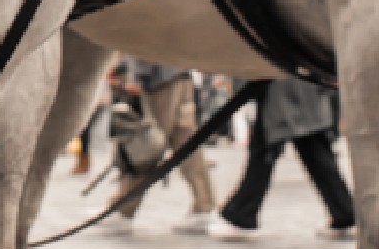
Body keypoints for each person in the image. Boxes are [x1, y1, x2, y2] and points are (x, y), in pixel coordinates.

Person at [212, 77, 356, 239]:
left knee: (266, 153)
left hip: (283, 90)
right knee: (313, 151)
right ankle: (345, 213)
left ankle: (240, 215)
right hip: (302, 88)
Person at [115, 58, 219, 233]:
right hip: (179, 73)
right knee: (185, 141)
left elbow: (140, 36)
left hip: (159, 77)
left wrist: (132, 74)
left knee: (146, 143)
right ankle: (204, 205)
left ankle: (123, 208)